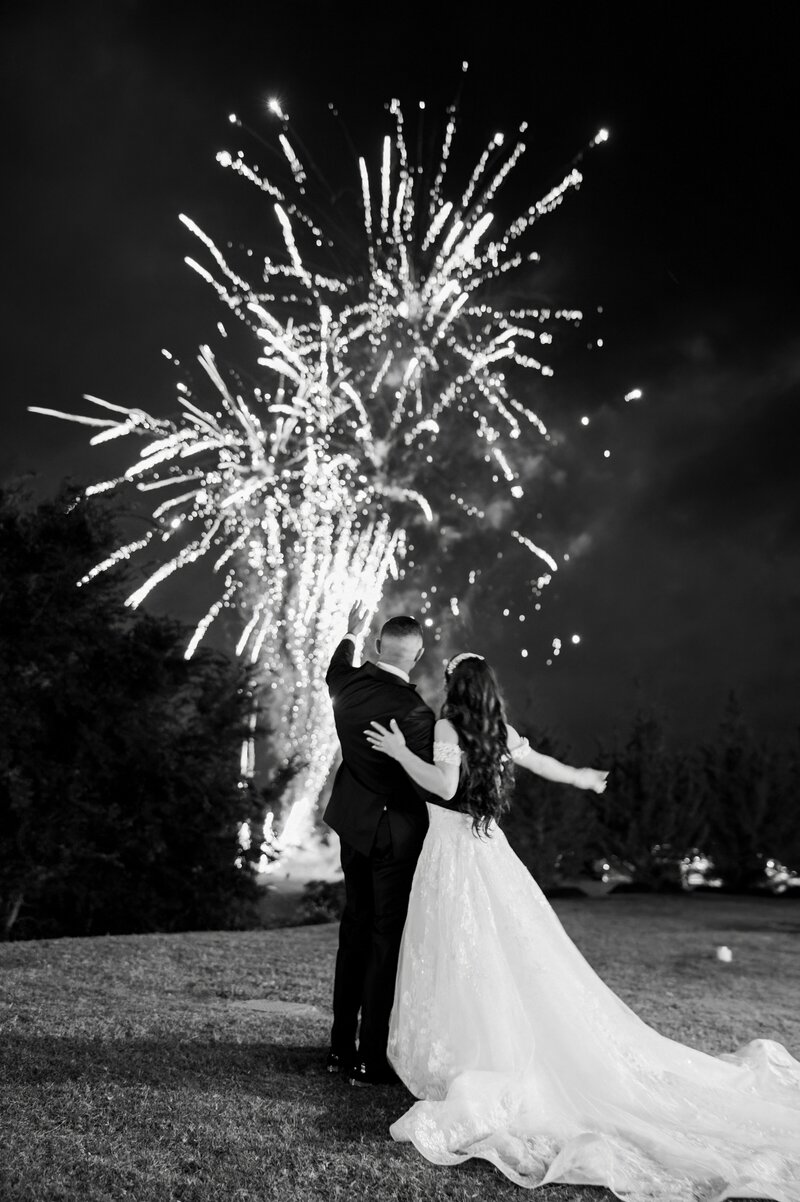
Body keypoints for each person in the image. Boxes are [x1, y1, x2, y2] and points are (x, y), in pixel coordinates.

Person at [366, 652, 800, 1200]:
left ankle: (474, 1055)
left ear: (453, 686)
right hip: (487, 849)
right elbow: (542, 761)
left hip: (453, 850)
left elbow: (446, 786)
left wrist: (403, 752)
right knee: (494, 954)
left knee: (463, 951)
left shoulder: (449, 726)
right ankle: (483, 1046)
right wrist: (582, 779)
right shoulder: (499, 730)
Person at [323, 602, 435, 1086]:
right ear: (419, 654)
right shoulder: (414, 711)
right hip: (394, 836)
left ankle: (339, 1048)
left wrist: (349, 630)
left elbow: (336, 662)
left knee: (354, 931)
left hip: (354, 828)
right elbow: (431, 780)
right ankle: (371, 1058)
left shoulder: (344, 684)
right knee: (384, 941)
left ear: (376, 647)